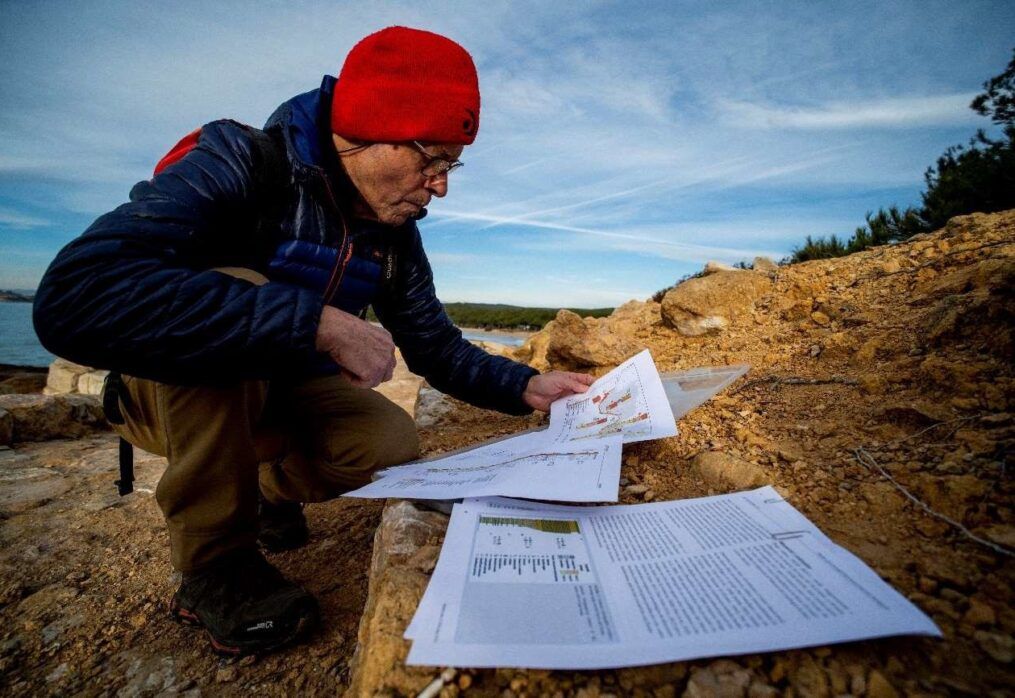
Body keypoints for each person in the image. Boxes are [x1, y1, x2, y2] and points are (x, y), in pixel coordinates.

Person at [32, 26, 593, 656]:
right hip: (162, 395)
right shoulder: (240, 161)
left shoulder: (392, 230)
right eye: (430, 158)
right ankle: (214, 568)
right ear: (361, 134)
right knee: (231, 285)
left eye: (450, 164)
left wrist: (526, 385)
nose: (441, 186)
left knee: (386, 445)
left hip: (272, 396)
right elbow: (75, 295)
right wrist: (318, 321)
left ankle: (264, 491)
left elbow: (433, 343)